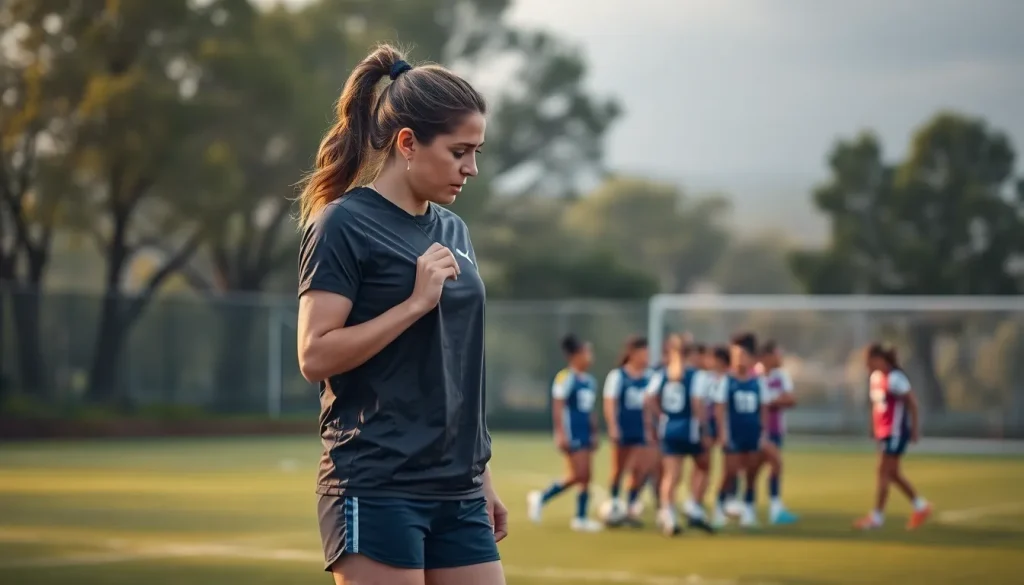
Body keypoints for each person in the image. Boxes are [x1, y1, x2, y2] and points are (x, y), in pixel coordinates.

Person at [296, 44, 506, 585]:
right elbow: (314, 354)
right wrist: (414, 304)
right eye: (460, 151)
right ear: (407, 143)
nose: (472, 168)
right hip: (377, 483)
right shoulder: (342, 224)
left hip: (458, 490)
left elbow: (457, 363)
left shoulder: (454, 230)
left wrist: (480, 474)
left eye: (477, 151)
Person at [527, 334, 603, 532]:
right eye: (587, 352)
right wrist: (560, 433)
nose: (590, 357)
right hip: (573, 432)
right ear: (576, 355)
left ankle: (580, 517)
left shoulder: (589, 381)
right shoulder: (565, 378)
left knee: (586, 475)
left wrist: (595, 432)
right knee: (578, 474)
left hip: (585, 432)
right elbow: (558, 407)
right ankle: (542, 497)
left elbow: (590, 410)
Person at [854, 343, 932, 530]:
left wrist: (914, 428)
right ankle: (920, 506)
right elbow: (877, 406)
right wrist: (874, 428)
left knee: (883, 471)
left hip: (896, 432)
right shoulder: (875, 378)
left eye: (868, 362)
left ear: (878, 359)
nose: (867, 367)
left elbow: (912, 403)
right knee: (893, 473)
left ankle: (877, 517)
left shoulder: (895, 378)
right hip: (884, 432)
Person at [645, 339, 716, 536]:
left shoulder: (662, 374)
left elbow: (649, 397)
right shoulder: (697, 376)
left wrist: (661, 416)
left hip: (669, 429)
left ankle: (668, 515)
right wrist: (704, 430)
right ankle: (694, 506)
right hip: (690, 429)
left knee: (672, 475)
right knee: (704, 466)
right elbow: (697, 404)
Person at [710, 332, 780, 529]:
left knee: (751, 472)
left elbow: (763, 409)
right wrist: (723, 433)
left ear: (751, 358)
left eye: (743, 355)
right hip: (733, 434)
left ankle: (748, 508)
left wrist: (763, 432)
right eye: (736, 355)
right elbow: (720, 409)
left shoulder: (758, 382)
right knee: (729, 472)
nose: (739, 359)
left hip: (752, 433)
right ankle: (719, 506)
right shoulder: (726, 381)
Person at [602, 335, 655, 526]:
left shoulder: (650, 377)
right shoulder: (618, 376)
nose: (647, 356)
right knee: (618, 469)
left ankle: (632, 506)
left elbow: (650, 405)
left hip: (642, 430)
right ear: (632, 353)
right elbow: (610, 403)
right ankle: (615, 503)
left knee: (640, 469)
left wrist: (650, 427)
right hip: (624, 429)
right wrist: (613, 427)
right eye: (643, 352)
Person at [755, 340, 799, 525]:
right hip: (754, 430)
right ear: (767, 356)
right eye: (777, 354)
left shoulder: (781, 376)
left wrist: (769, 402)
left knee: (774, 466)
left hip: (775, 430)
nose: (780, 357)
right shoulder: (753, 373)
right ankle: (735, 504)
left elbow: (790, 400)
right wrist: (774, 400)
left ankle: (775, 507)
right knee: (750, 469)